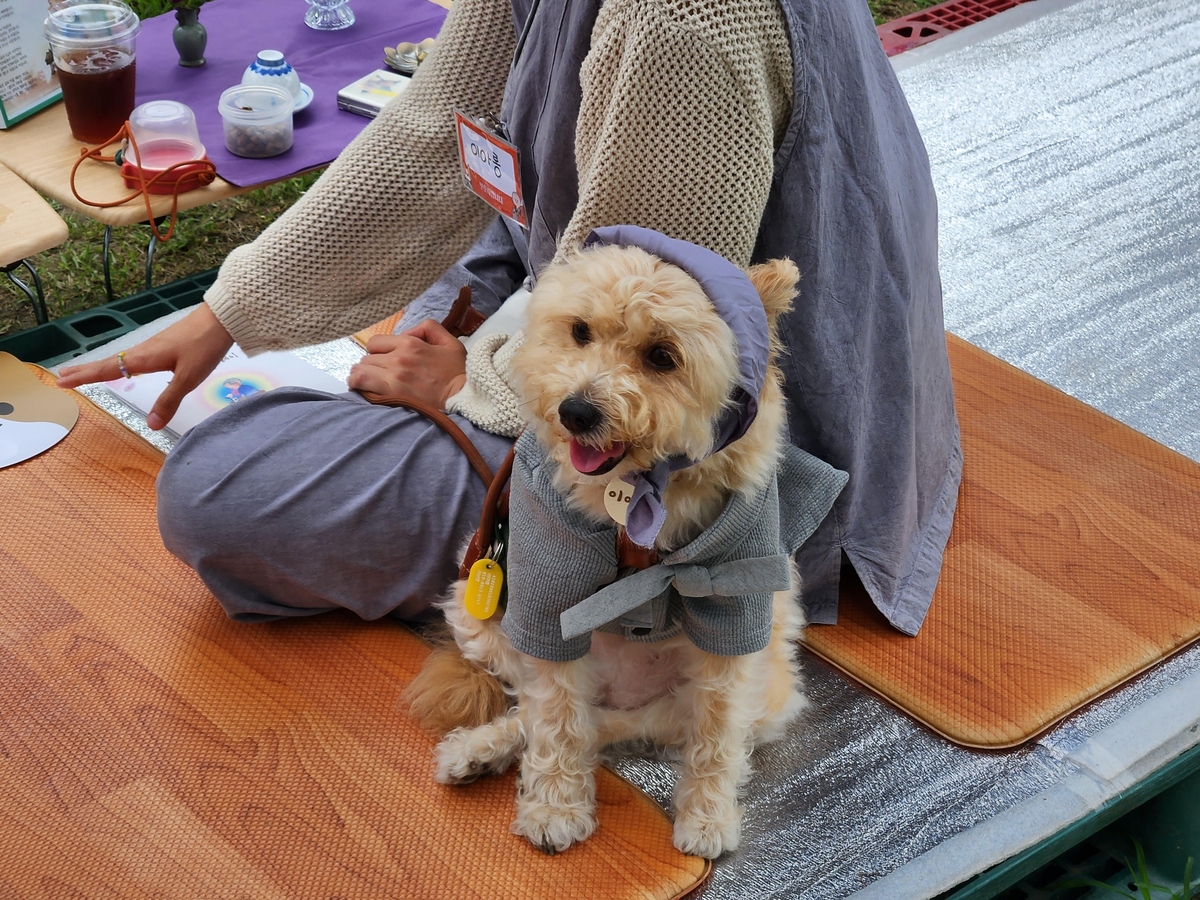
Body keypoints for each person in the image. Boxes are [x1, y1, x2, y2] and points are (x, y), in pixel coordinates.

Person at [57, 0, 961, 636]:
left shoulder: (687, 25)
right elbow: (434, 132)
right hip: (571, 291)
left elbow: (635, 367)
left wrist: (459, 389)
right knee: (434, 286)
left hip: (725, 451)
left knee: (219, 493)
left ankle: (595, 601)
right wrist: (231, 309)